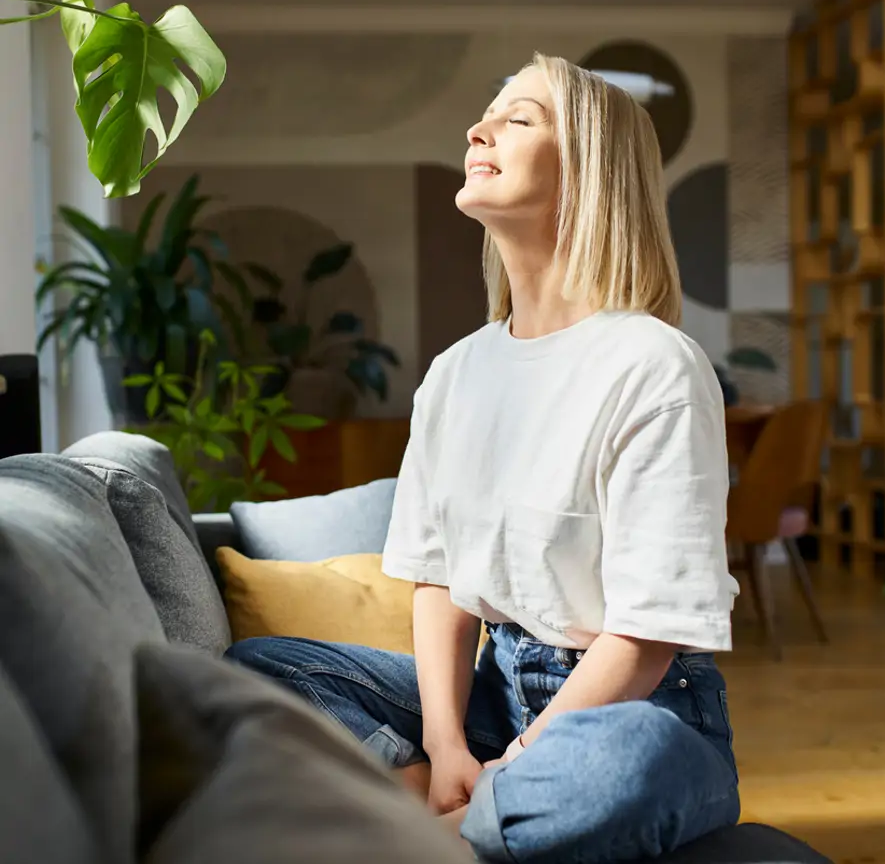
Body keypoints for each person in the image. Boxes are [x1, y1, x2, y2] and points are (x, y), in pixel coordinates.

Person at [225, 52, 741, 863]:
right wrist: (445, 747)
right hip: (492, 695)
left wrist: (526, 759)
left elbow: (646, 636)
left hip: (635, 706)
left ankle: (419, 838)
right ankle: (457, 817)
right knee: (256, 668)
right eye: (486, 114)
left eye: (518, 118)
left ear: (589, 170)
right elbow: (439, 580)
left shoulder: (655, 366)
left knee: (631, 760)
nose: (477, 131)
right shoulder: (455, 372)